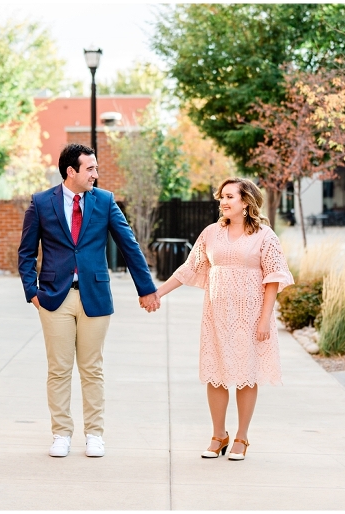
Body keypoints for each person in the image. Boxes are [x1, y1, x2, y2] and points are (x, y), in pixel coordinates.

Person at [18, 143, 160, 458]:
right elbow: (26, 253)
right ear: (71, 171)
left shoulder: (105, 202)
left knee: (92, 368)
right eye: (90, 168)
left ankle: (95, 433)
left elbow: (130, 245)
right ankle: (61, 434)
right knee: (59, 368)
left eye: (95, 168)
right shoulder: (41, 203)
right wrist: (32, 292)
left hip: (95, 296)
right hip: (54, 298)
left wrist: (146, 288)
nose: (96, 174)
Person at [155, 177, 293, 461]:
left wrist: (265, 319)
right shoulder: (210, 233)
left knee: (245, 375)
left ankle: (242, 437)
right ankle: (219, 435)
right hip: (216, 314)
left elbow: (273, 280)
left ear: (246, 202)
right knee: (215, 373)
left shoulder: (265, 236)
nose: (223, 202)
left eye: (230, 196)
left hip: (250, 314)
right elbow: (188, 268)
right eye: (222, 197)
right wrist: (157, 293)